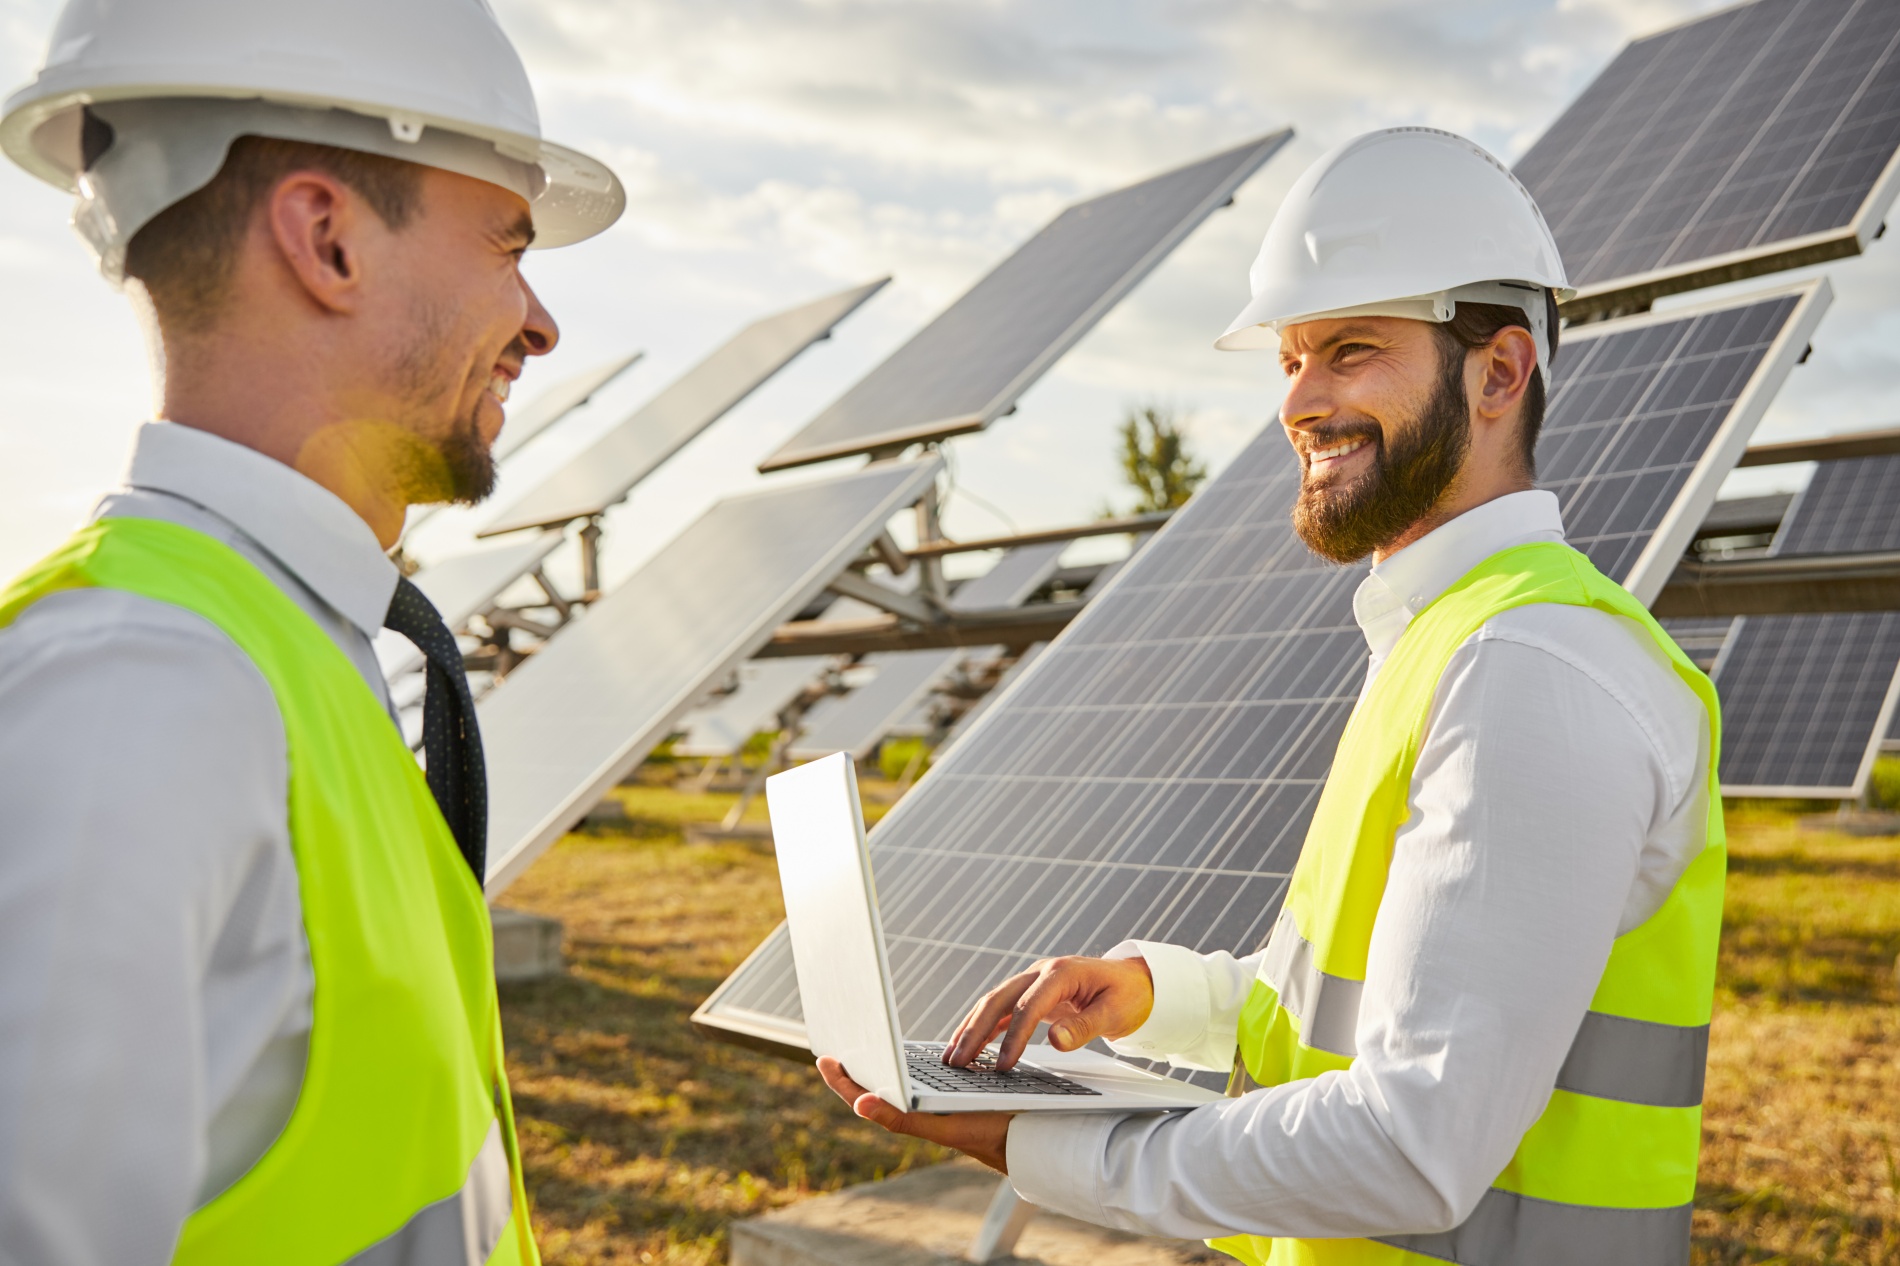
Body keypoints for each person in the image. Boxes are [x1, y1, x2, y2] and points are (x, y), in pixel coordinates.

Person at [818, 128, 1723, 1266]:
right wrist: (1160, 995)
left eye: (1349, 350)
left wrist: (1042, 1148)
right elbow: (1394, 993)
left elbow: (1409, 1143)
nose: (1298, 400)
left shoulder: (1531, 669)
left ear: (1497, 374)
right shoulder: (1447, 641)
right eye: (1288, 358)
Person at [0, 1, 623, 1261]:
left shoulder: (275, 653)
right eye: (506, 243)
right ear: (327, 238)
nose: (541, 321)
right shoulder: (145, 693)